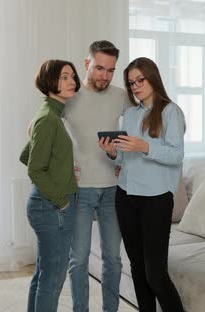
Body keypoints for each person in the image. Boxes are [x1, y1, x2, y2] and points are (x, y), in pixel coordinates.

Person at [98, 57, 186, 312]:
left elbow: (176, 155)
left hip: (156, 200)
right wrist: (112, 152)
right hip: (125, 196)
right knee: (136, 267)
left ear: (152, 78)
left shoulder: (171, 111)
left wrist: (145, 146)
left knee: (155, 273)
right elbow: (124, 157)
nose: (135, 86)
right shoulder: (130, 114)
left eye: (140, 80)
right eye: (131, 83)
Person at [64, 40, 130, 312]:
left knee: (113, 259)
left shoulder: (121, 96)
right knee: (78, 260)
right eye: (99, 68)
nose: (105, 75)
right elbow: (39, 128)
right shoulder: (70, 96)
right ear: (87, 63)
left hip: (113, 190)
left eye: (111, 70)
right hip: (81, 190)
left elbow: (147, 119)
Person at [20, 59, 80, 312]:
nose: (72, 81)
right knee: (53, 279)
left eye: (73, 76)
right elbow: (35, 169)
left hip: (48, 206)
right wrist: (63, 201)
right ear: (50, 81)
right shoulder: (48, 119)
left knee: (45, 274)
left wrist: (65, 170)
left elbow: (26, 155)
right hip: (52, 207)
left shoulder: (49, 115)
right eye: (64, 76)